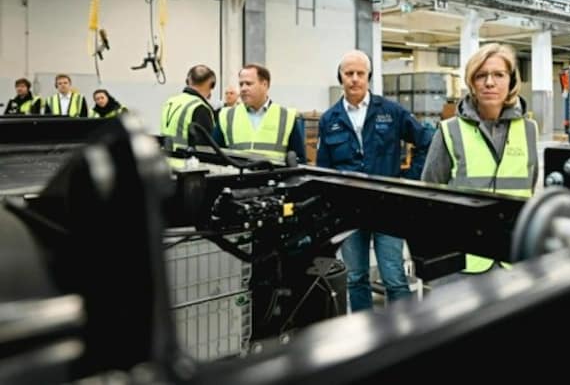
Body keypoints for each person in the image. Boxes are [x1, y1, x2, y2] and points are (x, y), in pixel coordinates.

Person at [317, 50, 432, 312]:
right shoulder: (330, 119)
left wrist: (408, 179)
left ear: (369, 77)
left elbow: (427, 140)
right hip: (349, 211)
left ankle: (404, 333)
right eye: (349, 74)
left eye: (360, 73)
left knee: (394, 278)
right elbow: (324, 170)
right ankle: (363, 334)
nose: (355, 79)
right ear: (341, 77)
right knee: (356, 278)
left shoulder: (390, 112)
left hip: (387, 206)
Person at [421, 42, 538, 276]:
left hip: (513, 256)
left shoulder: (529, 130)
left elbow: (530, 187)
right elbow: (428, 197)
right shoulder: (449, 130)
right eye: (481, 75)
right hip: (465, 259)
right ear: (471, 83)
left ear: (511, 81)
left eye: (499, 75)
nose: (490, 82)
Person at [213, 64, 306, 165]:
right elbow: (214, 156)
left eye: (248, 84)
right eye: (241, 84)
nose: (243, 88)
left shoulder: (287, 117)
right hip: (237, 178)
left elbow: (298, 160)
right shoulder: (226, 116)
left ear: (264, 85)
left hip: (274, 179)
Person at [160, 64, 217, 149]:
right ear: (211, 84)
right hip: (184, 161)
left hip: (166, 159)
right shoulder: (200, 108)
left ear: (187, 81)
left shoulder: (170, 102)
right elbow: (205, 149)